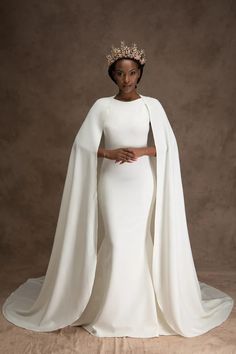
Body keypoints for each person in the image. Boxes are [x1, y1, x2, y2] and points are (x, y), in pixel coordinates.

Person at [2, 41, 234, 338]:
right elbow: (82, 146)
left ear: (140, 74)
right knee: (115, 241)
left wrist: (142, 150)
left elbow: (168, 146)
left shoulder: (153, 106)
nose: (127, 79)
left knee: (137, 242)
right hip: (112, 184)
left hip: (140, 185)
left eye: (133, 73)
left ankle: (141, 311)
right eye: (121, 74)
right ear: (112, 75)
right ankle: (107, 309)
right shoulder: (102, 106)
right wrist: (108, 153)